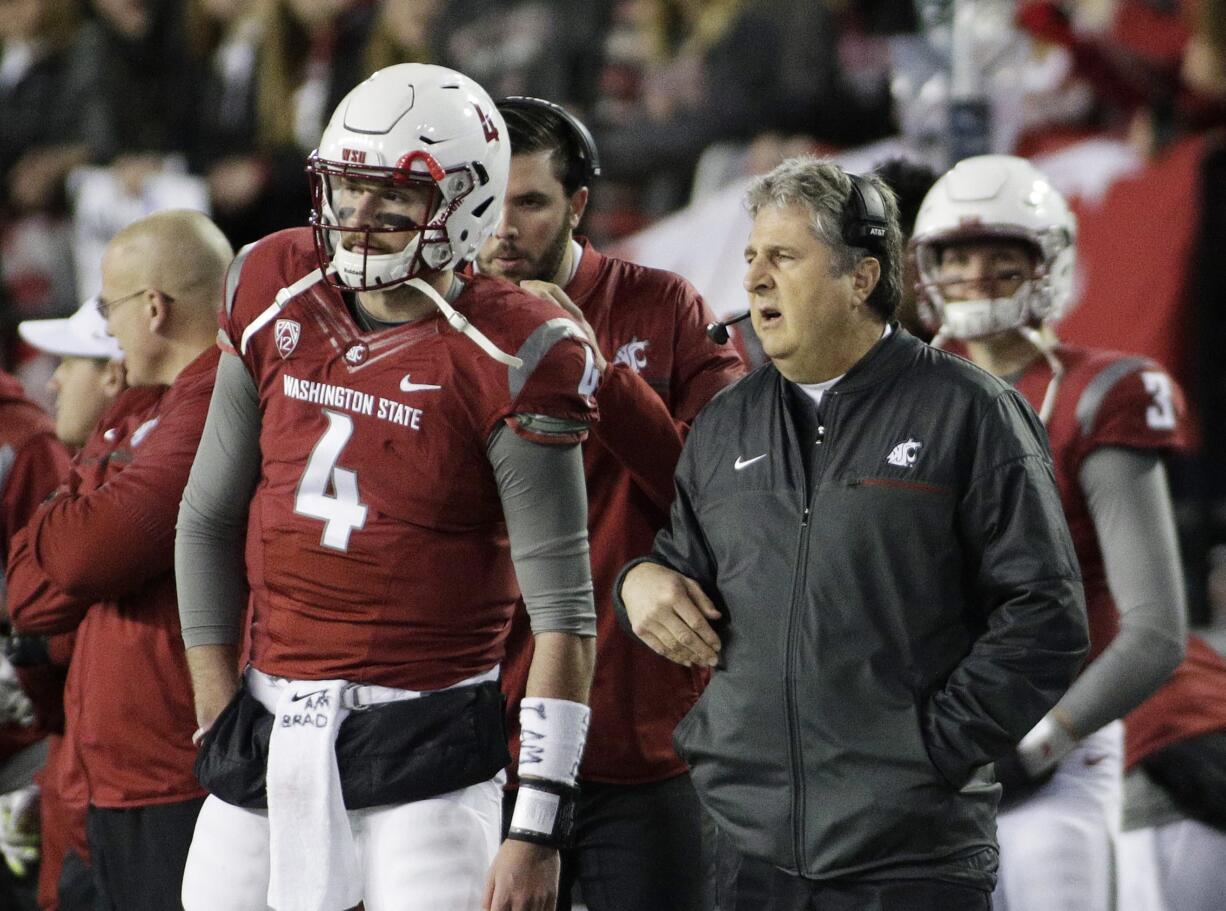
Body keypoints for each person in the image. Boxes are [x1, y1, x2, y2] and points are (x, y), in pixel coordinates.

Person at [174, 63, 600, 911]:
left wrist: (538, 823)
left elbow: (565, 614)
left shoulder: (517, 349)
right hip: (270, 724)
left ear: (466, 202)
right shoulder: (271, 285)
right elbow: (205, 516)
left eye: (393, 198)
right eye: (346, 191)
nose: (358, 221)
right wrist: (218, 706)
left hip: (429, 745)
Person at [615, 155, 1089, 910]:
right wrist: (638, 581)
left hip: (910, 854)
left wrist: (926, 748)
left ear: (862, 278)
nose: (756, 278)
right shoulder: (725, 422)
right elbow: (683, 567)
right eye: (751, 258)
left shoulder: (971, 410)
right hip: (746, 850)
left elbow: (1047, 616)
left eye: (784, 257)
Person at [475, 96, 744, 910]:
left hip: (639, 744)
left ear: (579, 205)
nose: (503, 230)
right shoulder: (441, 322)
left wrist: (598, 371)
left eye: (529, 203)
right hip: (481, 747)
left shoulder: (666, 309)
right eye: (485, 204)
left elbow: (726, 495)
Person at [910, 153, 1188, 911]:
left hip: (1054, 750)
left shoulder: (1102, 392)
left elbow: (1156, 630)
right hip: (918, 764)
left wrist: (1040, 742)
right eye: (957, 254)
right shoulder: (899, 399)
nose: (975, 271)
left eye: (1003, 253)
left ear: (1050, 261)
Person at [6, 208, 233, 911]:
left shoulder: (215, 403)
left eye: (109, 307)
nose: (106, 326)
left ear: (154, 307)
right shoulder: (146, 407)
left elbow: (81, 560)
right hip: (121, 772)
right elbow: (30, 596)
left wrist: (71, 516)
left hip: (176, 772)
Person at [12, 297, 130, 911]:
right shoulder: (88, 473)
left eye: (70, 362)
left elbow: (32, 607)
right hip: (72, 774)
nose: (52, 380)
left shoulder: (133, 495)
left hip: (113, 790)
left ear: (114, 373)